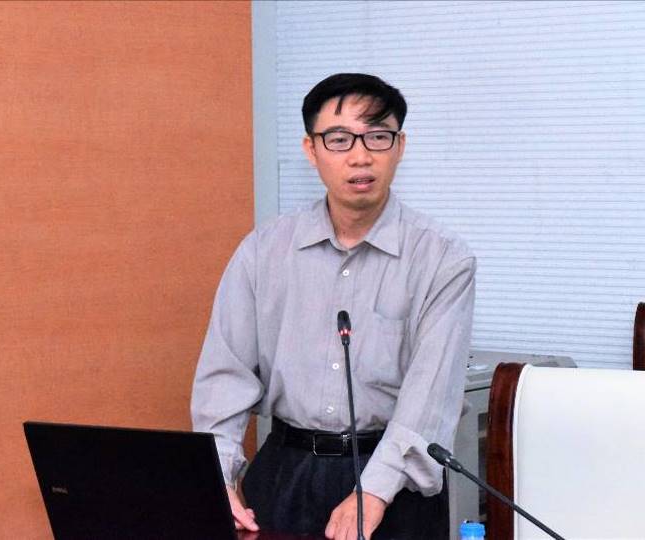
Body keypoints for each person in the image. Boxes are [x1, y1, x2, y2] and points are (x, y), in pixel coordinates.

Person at [191, 73, 476, 540]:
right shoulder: (264, 250)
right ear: (311, 149)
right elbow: (225, 377)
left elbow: (431, 397)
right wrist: (217, 478)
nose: (360, 156)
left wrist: (374, 491)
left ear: (400, 146)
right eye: (339, 140)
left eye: (378, 137)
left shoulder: (442, 258)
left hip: (393, 481)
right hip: (284, 472)